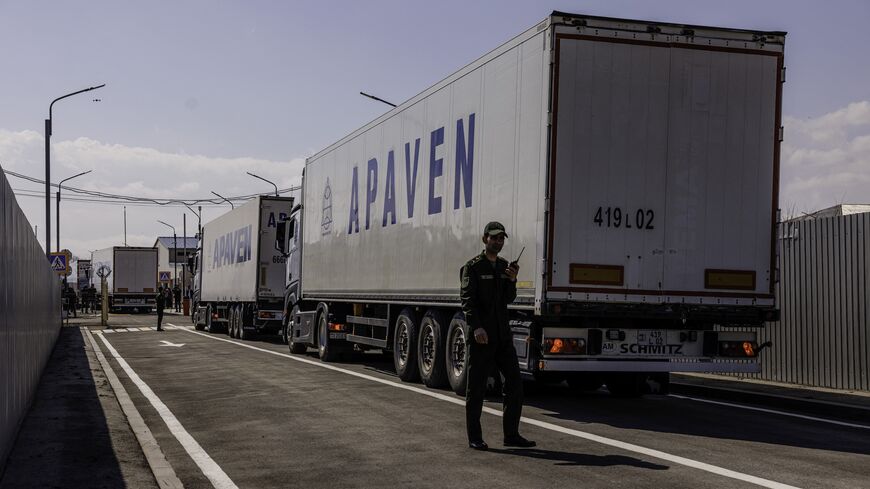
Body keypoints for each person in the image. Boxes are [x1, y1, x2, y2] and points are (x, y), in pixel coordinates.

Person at [460, 221, 535, 451]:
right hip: (483, 337)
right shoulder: (473, 267)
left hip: (503, 337)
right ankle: (475, 437)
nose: (498, 242)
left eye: (501, 239)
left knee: (514, 385)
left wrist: (512, 280)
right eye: (494, 238)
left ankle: (511, 435)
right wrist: (476, 327)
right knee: (477, 388)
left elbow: (508, 299)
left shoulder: (504, 267)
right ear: (485, 239)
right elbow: (467, 301)